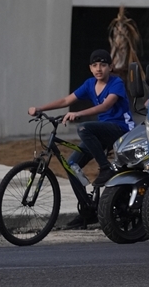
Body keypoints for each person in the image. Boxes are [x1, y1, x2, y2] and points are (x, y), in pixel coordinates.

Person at [27, 49, 133, 227]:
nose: (99, 68)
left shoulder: (117, 83)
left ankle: (105, 169)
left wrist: (78, 114)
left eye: (103, 65)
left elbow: (106, 106)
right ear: (90, 68)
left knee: (84, 128)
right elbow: (66, 101)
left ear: (111, 67)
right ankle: (88, 210)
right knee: (71, 165)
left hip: (121, 129)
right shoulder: (89, 84)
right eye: (94, 65)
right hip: (102, 131)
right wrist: (40, 108)